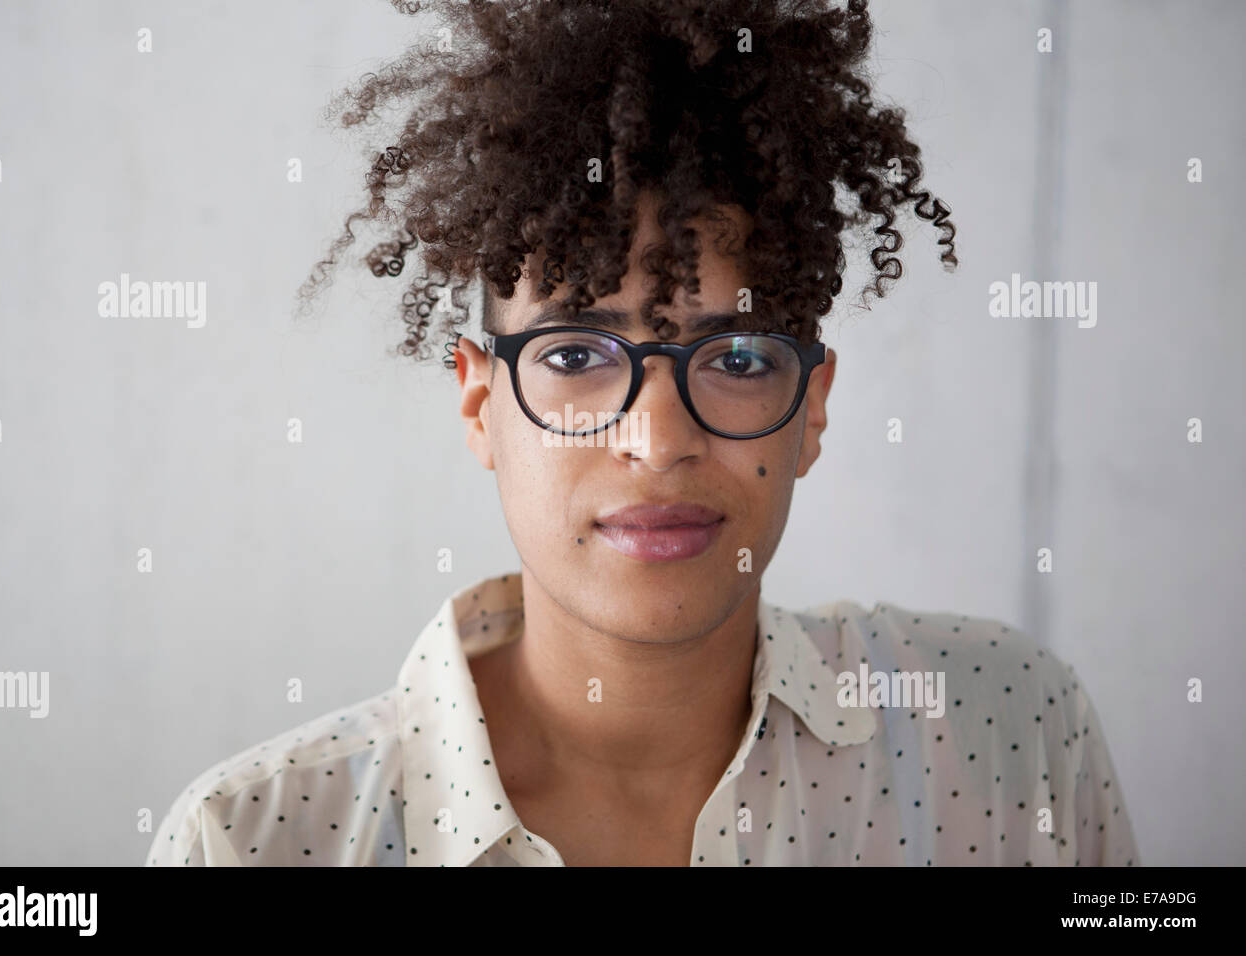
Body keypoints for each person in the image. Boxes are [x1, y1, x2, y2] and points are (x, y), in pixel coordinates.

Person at [148, 0, 1137, 867]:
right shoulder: (248, 840)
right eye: (577, 356)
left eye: (738, 357)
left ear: (814, 405)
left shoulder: (1011, 732)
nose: (656, 441)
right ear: (480, 404)